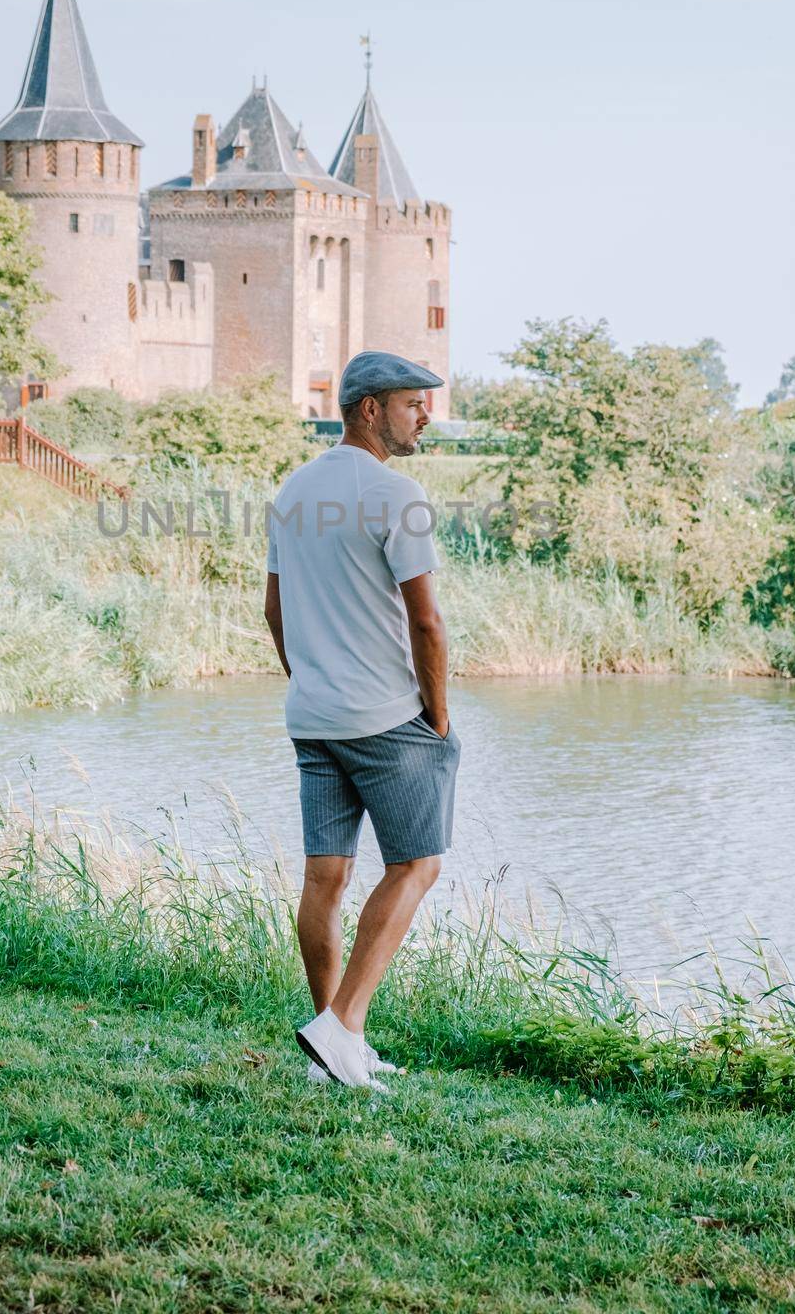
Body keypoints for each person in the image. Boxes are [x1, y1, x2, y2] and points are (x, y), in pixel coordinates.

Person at [264, 350, 461, 1090]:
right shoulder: (394, 494)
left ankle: (333, 1044)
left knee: (326, 875)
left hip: (313, 717)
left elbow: (272, 611)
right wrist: (437, 716)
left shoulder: (294, 492)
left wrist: (308, 679)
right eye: (414, 403)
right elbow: (428, 624)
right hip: (383, 719)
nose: (424, 416)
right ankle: (342, 1028)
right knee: (416, 864)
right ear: (370, 408)